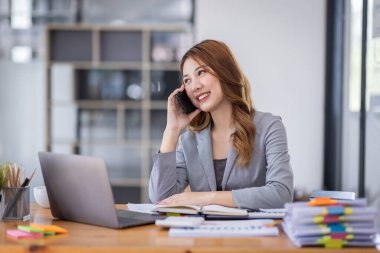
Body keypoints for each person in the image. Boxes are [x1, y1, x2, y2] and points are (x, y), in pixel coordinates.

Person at [149, 39, 293, 209]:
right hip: (201, 234)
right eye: (187, 80)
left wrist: (206, 198)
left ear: (224, 71)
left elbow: (281, 194)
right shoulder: (189, 140)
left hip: (253, 234)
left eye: (201, 73)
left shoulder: (269, 127)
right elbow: (161, 198)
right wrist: (171, 130)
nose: (194, 86)